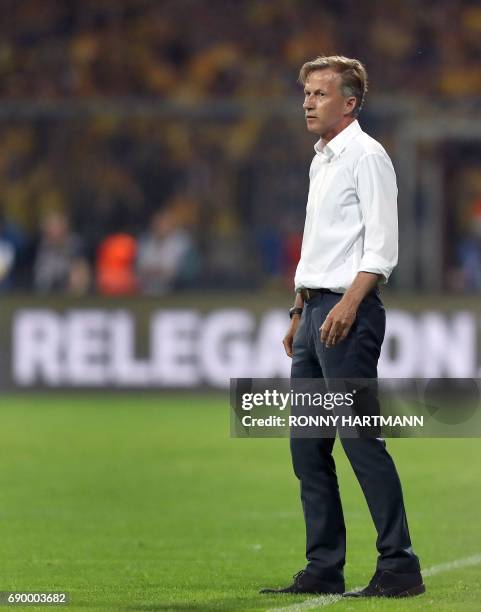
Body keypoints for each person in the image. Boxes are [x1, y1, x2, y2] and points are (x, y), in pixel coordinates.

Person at [260, 56, 424, 598]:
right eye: (306, 93)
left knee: (359, 440)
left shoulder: (367, 156)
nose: (308, 102)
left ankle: (399, 566)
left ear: (350, 103)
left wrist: (347, 305)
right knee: (307, 446)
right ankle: (323, 567)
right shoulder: (323, 159)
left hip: (346, 315)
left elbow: (381, 247)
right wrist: (299, 307)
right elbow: (320, 243)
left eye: (320, 94)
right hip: (315, 312)